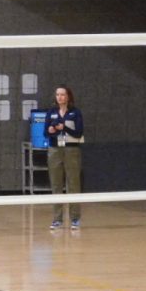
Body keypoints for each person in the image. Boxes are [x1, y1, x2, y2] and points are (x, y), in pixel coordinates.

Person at [46, 84, 84, 230]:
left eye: (62, 94)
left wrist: (65, 128)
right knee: (56, 184)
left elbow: (78, 133)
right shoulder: (51, 112)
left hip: (71, 150)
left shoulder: (75, 112)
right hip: (55, 149)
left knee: (73, 183)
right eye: (57, 94)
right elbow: (46, 132)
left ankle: (75, 218)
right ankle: (57, 219)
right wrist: (51, 130)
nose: (60, 97)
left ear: (68, 96)